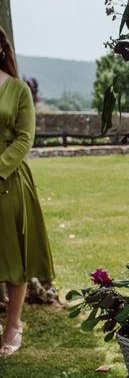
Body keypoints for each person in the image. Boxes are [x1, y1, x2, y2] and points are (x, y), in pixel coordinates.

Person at [0, 26, 55, 357]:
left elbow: (24, 138)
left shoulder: (18, 89)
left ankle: (13, 327)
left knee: (12, 255)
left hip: (9, 181)